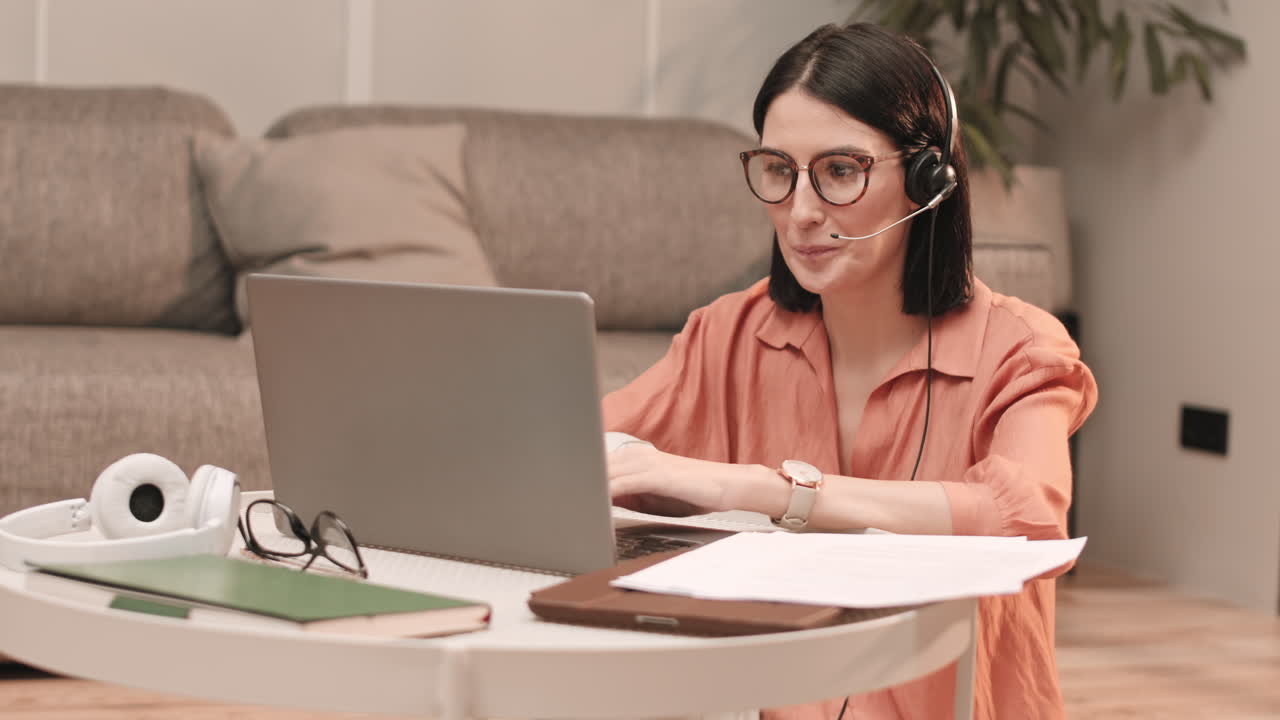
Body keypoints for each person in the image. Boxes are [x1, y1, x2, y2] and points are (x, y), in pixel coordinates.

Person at [601, 22, 1098, 720]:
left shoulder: (1019, 350)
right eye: (779, 171)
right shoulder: (728, 334)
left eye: (840, 170)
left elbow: (1027, 518)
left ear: (928, 180)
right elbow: (574, 445)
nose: (802, 213)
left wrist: (764, 490)